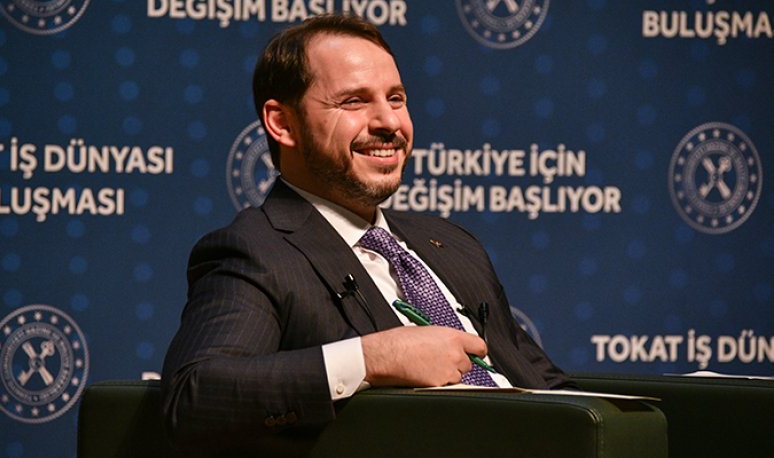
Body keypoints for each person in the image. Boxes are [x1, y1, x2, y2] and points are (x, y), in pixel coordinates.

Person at [162, 13, 574, 455]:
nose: (388, 122)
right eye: (354, 101)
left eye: (396, 99)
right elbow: (194, 397)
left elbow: (547, 386)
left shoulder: (452, 244)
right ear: (283, 124)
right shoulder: (257, 251)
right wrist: (371, 359)